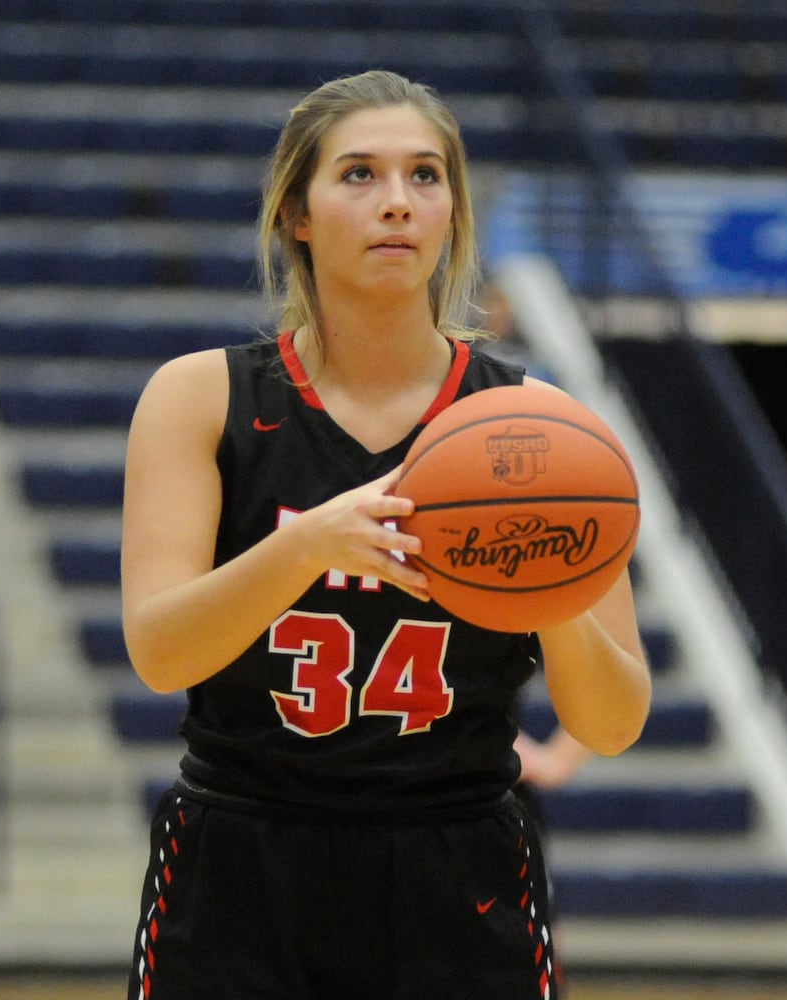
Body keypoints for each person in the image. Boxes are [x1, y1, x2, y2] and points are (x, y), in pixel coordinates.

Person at [119, 70, 651, 1000]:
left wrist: (543, 591)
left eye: (425, 176)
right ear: (296, 213)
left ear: (453, 211)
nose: (397, 203)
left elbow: (612, 720)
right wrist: (307, 546)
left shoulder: (540, 426)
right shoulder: (200, 399)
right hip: (241, 858)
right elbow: (160, 654)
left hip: (459, 868)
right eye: (359, 175)